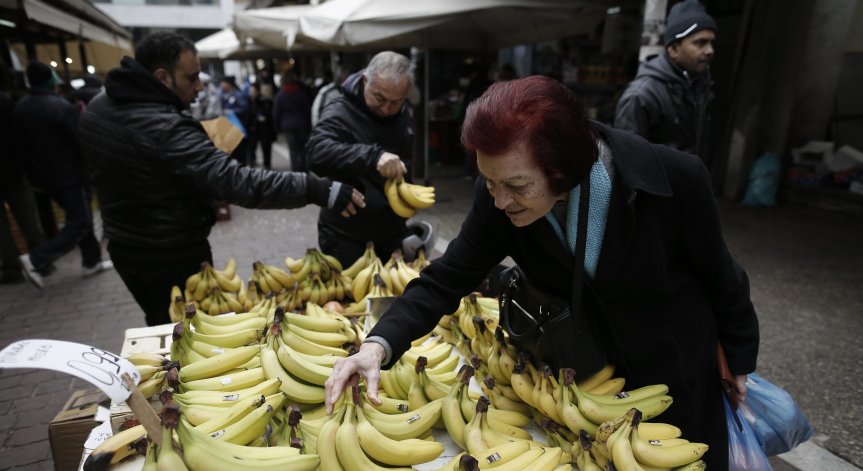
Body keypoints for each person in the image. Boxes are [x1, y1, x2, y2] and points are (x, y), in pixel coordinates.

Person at [324, 76, 759, 470]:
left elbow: (723, 277)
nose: (499, 201)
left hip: (678, 372)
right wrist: (378, 347)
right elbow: (446, 277)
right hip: (587, 383)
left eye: (516, 186)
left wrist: (739, 362)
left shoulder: (675, 179)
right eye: (490, 183)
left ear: (565, 168)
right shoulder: (497, 195)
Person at [78, 32, 365, 326]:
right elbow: (236, 181)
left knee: (159, 321)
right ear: (163, 77)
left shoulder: (98, 108)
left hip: (124, 247)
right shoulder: (166, 128)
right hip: (171, 252)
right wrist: (316, 188)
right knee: (189, 331)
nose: (201, 86)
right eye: (192, 78)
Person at [306, 51, 414, 267]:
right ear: (366, 79)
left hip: (392, 231)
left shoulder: (403, 113)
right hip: (346, 234)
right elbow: (316, 151)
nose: (386, 109)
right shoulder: (339, 112)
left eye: (396, 102)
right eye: (379, 98)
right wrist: (373, 156)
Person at [13, 61, 110, 289]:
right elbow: (80, 141)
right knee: (80, 220)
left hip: (43, 177)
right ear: (53, 82)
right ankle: (35, 259)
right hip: (70, 174)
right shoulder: (59, 107)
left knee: (79, 215)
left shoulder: (20, 108)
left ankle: (91, 261)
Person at [613, 0, 716, 165]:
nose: (710, 50)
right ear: (673, 49)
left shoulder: (701, 85)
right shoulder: (641, 96)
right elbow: (629, 164)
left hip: (690, 187)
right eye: (700, 43)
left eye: (712, 42)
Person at [0, 91, 45, 284]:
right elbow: (20, 133)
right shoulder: (4, 101)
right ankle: (40, 261)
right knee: (28, 217)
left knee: (1, 227)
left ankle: (12, 269)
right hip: (13, 169)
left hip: (12, 167)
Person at [272, 71, 311, 171]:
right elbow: (307, 111)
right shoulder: (301, 93)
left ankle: (296, 172)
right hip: (301, 124)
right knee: (302, 149)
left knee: (293, 150)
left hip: (288, 126)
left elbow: (276, 113)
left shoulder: (280, 95)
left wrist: (277, 128)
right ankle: (304, 170)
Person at [218, 76, 250, 163]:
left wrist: (231, 111)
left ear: (229, 84)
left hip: (238, 130)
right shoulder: (220, 95)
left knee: (239, 156)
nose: (222, 85)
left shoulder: (238, 95)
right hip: (226, 131)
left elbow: (245, 108)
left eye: (224, 83)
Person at [246, 82, 276, 168]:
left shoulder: (265, 101)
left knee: (266, 146)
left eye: (253, 91)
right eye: (250, 91)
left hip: (264, 128)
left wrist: (264, 117)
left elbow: (270, 114)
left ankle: (267, 164)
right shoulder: (247, 100)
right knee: (251, 147)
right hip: (252, 128)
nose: (252, 93)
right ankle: (252, 162)